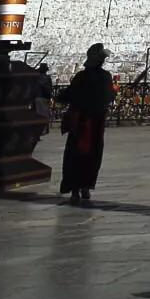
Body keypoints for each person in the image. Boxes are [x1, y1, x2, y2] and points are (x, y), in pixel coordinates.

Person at [60, 44, 114, 204]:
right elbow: (107, 97)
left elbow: (68, 95)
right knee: (92, 156)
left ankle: (75, 189)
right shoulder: (105, 77)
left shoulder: (81, 77)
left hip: (80, 122)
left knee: (75, 156)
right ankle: (85, 187)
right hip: (95, 123)